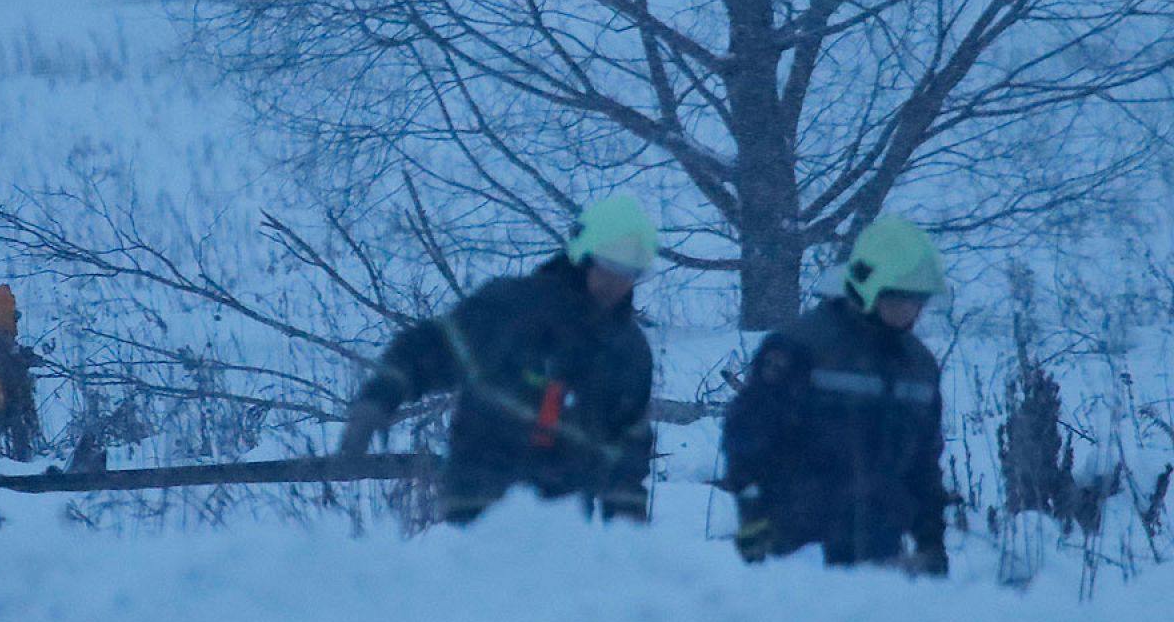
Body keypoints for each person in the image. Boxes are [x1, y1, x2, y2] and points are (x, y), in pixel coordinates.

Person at [339, 195, 659, 525]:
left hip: (562, 524)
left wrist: (627, 519)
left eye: (631, 272)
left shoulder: (628, 352)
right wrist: (377, 400)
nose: (618, 282)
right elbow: (430, 348)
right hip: (479, 505)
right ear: (583, 256)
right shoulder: (511, 309)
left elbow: (628, 444)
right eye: (610, 266)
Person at [721, 215, 950, 575]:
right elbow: (748, 441)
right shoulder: (799, 348)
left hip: (880, 553)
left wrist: (930, 541)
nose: (910, 310)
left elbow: (924, 463)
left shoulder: (919, 366)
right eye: (899, 298)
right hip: (795, 552)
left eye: (918, 300)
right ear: (865, 286)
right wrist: (754, 522)